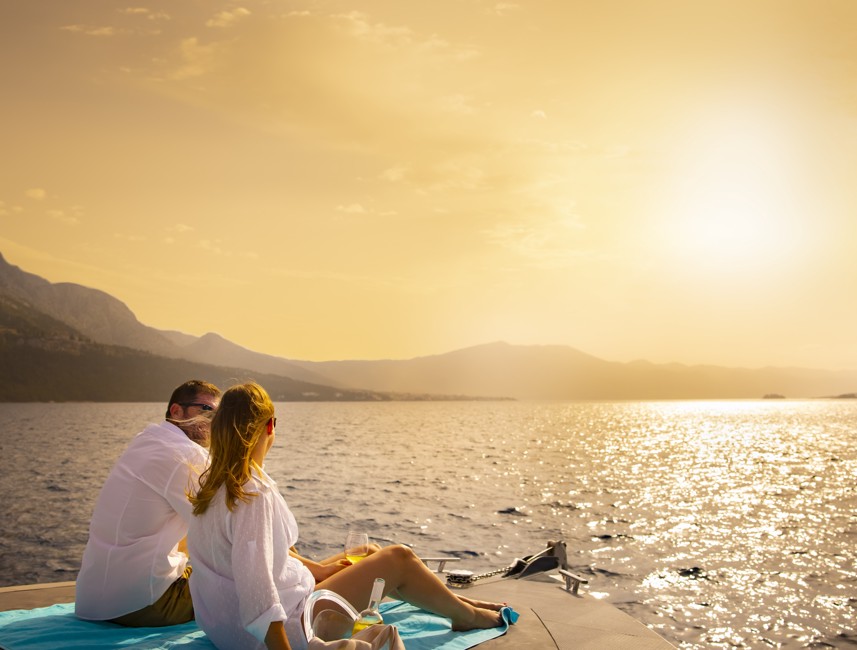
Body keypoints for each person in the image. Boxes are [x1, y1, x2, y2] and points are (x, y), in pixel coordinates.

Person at [187, 382, 504, 650]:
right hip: (275, 629)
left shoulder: (214, 483)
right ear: (270, 426)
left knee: (368, 553)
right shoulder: (252, 492)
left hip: (222, 626)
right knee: (398, 558)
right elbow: (257, 591)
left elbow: (252, 556)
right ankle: (467, 616)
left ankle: (455, 604)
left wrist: (319, 570)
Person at [75, 379, 221, 626]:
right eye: (205, 409)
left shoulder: (146, 441)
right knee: (242, 583)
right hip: (144, 604)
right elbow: (227, 529)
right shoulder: (186, 454)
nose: (212, 419)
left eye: (217, 413)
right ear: (176, 411)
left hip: (91, 602)